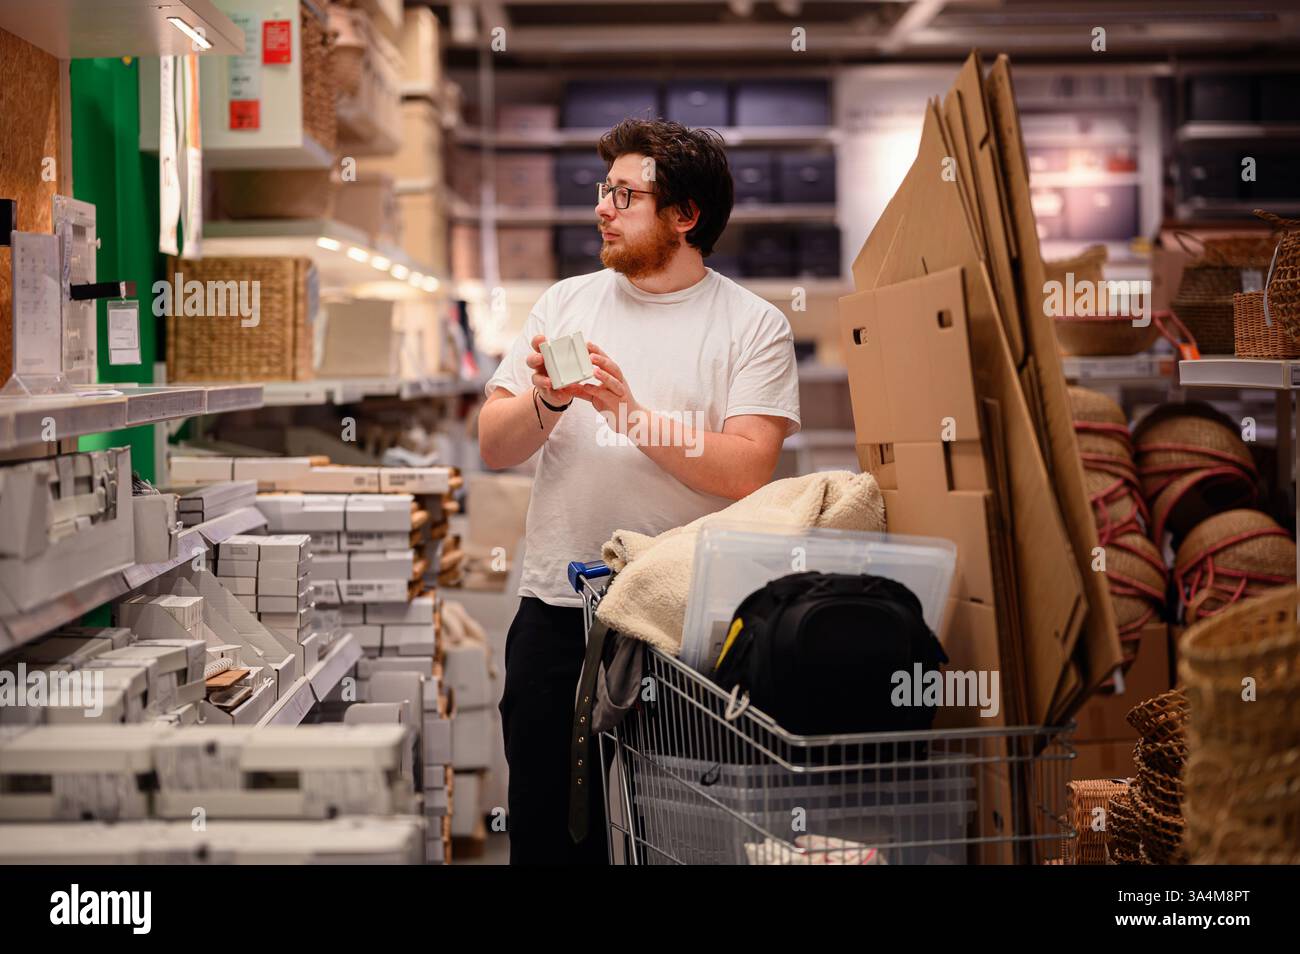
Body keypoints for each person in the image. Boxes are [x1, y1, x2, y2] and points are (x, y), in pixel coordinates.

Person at [479, 117, 802, 864]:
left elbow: (746, 467)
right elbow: (494, 445)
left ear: (683, 216)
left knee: (684, 835)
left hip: (686, 627)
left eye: (625, 194)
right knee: (550, 830)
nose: (603, 208)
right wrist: (548, 405)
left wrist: (627, 413)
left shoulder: (752, 326)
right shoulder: (567, 303)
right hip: (561, 619)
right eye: (605, 190)